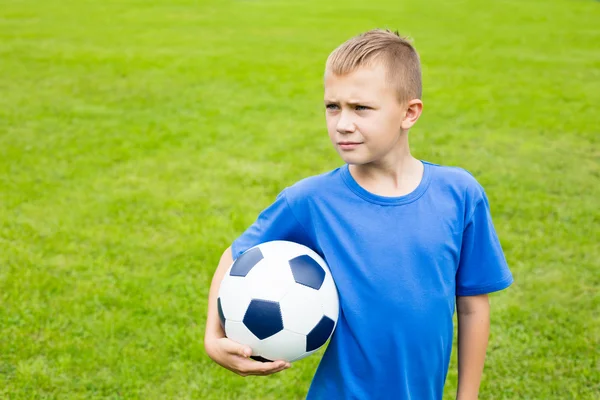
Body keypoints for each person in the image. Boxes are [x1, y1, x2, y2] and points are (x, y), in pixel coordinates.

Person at [204, 28, 513, 400]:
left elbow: (472, 306)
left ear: (409, 113)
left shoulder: (459, 194)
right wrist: (213, 337)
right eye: (332, 106)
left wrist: (468, 396)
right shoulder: (312, 200)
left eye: (360, 108)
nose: (342, 124)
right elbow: (235, 256)